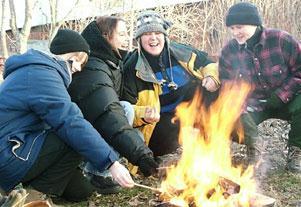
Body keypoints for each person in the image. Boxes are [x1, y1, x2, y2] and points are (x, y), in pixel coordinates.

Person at [0, 29, 134, 202]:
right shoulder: (42, 75)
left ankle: (26, 190)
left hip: (17, 145)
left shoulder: (33, 70)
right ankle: (31, 199)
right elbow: (70, 123)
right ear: (75, 57)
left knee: (80, 190)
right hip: (9, 154)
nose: (78, 70)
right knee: (74, 136)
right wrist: (111, 163)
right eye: (81, 63)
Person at [68, 16, 159, 190]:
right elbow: (109, 113)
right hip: (78, 138)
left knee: (136, 134)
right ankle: (95, 171)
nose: (127, 39)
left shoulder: (112, 62)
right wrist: (142, 157)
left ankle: (101, 167)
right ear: (105, 36)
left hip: (94, 130)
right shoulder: (94, 68)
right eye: (122, 34)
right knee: (124, 109)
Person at [122, 10, 220, 157]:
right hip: (160, 121)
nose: (153, 38)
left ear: (164, 35)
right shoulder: (132, 68)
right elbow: (124, 109)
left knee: (216, 90)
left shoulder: (182, 52)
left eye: (158, 33)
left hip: (189, 108)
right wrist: (143, 114)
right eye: (147, 34)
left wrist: (212, 77)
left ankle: (210, 142)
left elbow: (209, 63)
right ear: (139, 39)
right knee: (167, 134)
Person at [218, 2, 301, 172]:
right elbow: (229, 89)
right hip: (253, 105)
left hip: (288, 99)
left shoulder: (280, 39)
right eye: (232, 28)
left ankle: (296, 152)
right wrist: (244, 118)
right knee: (228, 120)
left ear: (254, 23)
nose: (235, 33)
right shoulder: (229, 51)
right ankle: (255, 149)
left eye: (239, 27)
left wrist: (281, 95)